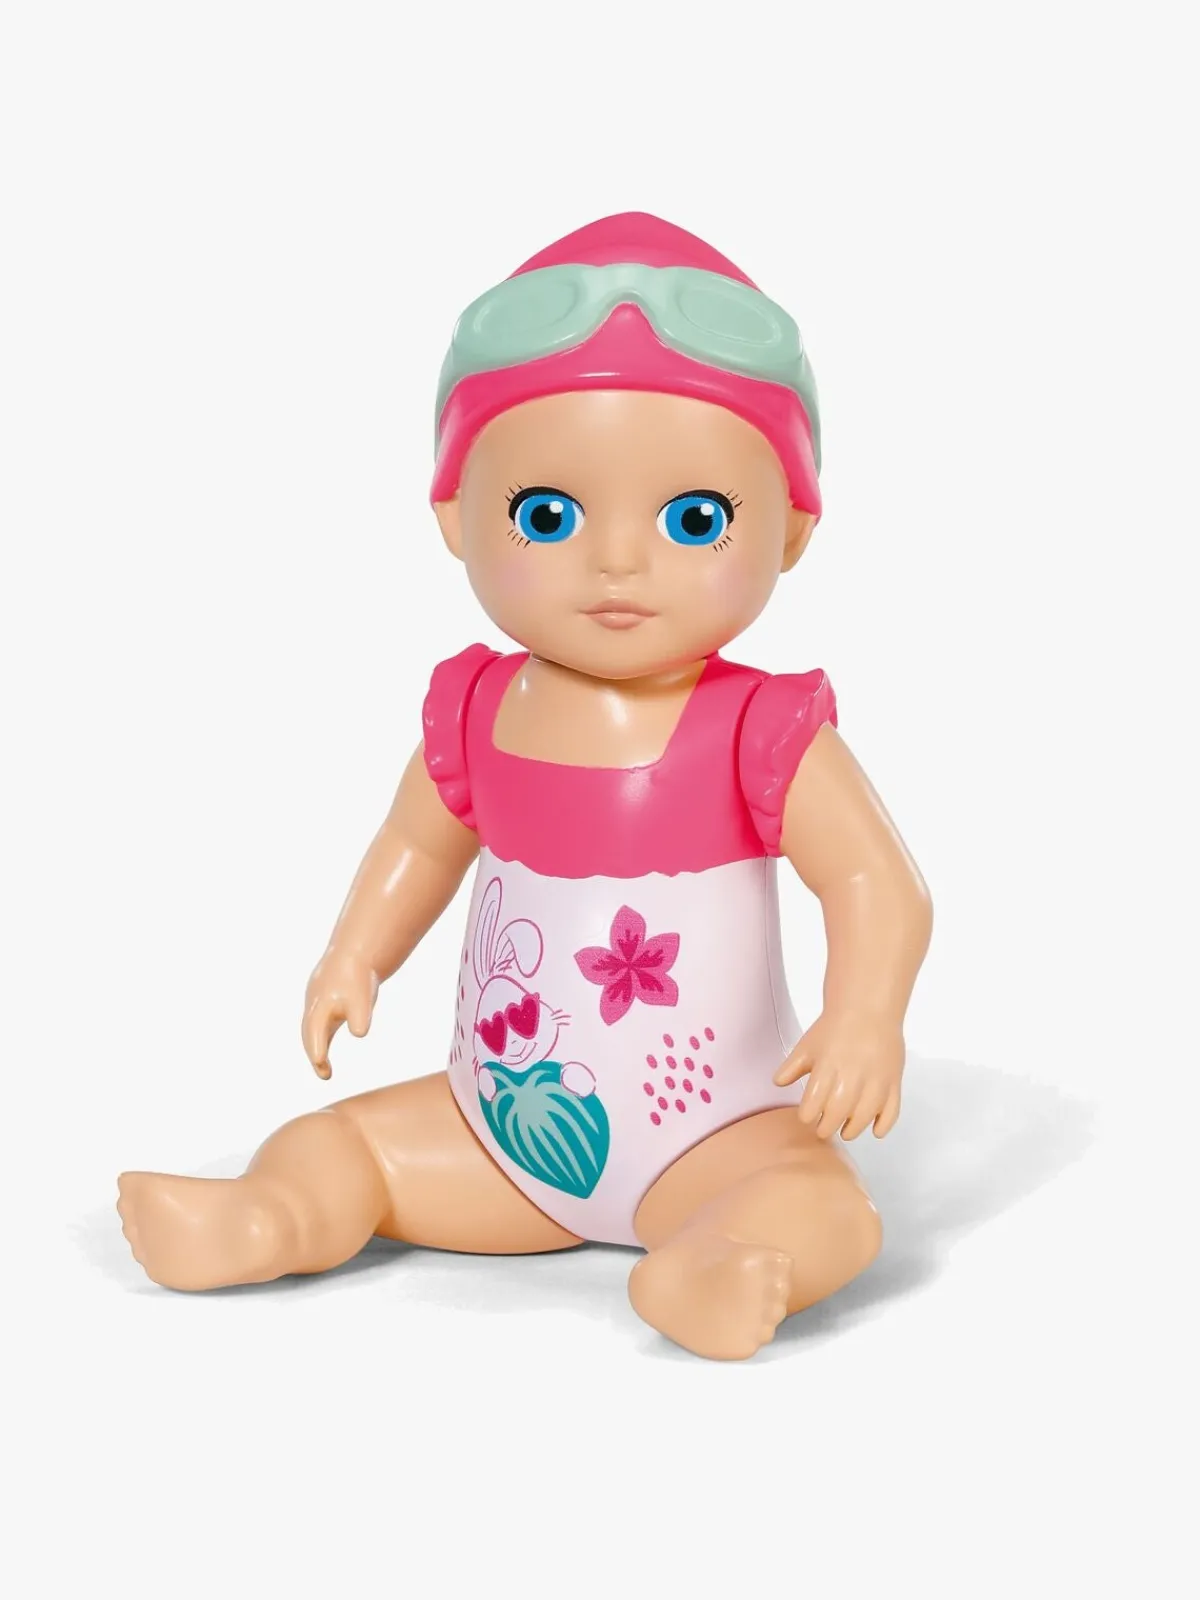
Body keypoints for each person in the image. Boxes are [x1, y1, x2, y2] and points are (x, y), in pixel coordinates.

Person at [118, 212, 933, 1360]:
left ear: (793, 529)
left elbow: (877, 883)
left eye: (693, 519)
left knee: (825, 1206)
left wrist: (865, 1017)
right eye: (548, 515)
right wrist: (355, 953)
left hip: (719, 1130)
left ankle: (718, 1261)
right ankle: (274, 1214)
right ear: (454, 516)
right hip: (494, 1128)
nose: (617, 561)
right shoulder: (475, 712)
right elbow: (417, 842)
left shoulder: (759, 729)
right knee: (343, 1143)